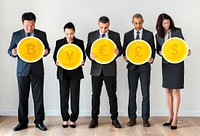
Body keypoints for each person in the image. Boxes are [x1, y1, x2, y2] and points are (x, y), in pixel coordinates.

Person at [8, 12, 50, 131]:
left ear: (35, 23)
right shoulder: (16, 35)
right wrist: (13, 52)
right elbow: (9, 50)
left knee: (38, 97)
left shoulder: (41, 34)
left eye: (32, 25)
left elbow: (47, 48)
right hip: (22, 71)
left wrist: (46, 51)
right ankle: (22, 122)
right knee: (22, 97)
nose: (30, 28)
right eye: (27, 25)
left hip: (37, 70)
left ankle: (39, 121)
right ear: (23, 23)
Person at [86, 16, 123, 128]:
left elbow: (121, 49)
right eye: (101, 27)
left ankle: (114, 119)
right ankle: (94, 119)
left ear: (109, 25)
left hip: (110, 70)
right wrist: (90, 55)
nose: (103, 30)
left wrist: (118, 52)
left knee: (112, 95)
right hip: (96, 70)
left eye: (106, 27)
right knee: (95, 95)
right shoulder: (91, 35)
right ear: (98, 24)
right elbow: (88, 49)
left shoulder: (115, 35)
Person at [155, 13, 191, 130]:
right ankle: (169, 115)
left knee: (176, 90)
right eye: (164, 23)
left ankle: (175, 117)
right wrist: (159, 52)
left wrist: (187, 51)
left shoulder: (177, 31)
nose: (166, 25)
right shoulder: (158, 35)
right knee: (167, 90)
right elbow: (158, 49)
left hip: (177, 64)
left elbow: (183, 45)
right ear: (160, 24)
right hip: (166, 64)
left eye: (168, 22)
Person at [123, 13, 155, 127]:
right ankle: (132, 118)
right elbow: (125, 51)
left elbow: (152, 50)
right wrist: (125, 57)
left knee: (145, 93)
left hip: (145, 68)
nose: (138, 25)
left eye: (140, 23)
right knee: (132, 93)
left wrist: (152, 59)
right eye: (136, 23)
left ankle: (145, 119)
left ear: (143, 21)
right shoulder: (127, 35)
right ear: (132, 22)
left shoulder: (149, 34)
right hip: (132, 68)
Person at [53, 22, 86, 128]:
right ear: (64, 32)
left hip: (75, 73)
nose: (69, 36)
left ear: (74, 32)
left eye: (71, 33)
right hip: (63, 73)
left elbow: (83, 56)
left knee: (75, 96)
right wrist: (56, 62)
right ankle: (65, 118)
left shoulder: (80, 42)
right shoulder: (59, 42)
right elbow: (55, 56)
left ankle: (73, 119)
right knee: (64, 96)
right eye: (67, 34)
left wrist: (83, 61)